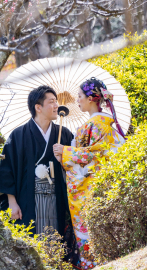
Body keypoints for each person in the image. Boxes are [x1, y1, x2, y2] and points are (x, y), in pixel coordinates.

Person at [0, 85, 77, 263]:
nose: (56, 106)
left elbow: (76, 166)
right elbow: (7, 169)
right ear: (38, 107)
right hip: (28, 198)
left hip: (57, 197)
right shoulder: (18, 135)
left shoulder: (64, 134)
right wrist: (12, 202)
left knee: (57, 238)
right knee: (32, 240)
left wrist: (65, 156)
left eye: (56, 102)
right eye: (51, 102)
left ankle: (56, 264)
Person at [53, 77, 126, 270]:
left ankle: (94, 263)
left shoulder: (93, 125)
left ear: (91, 98)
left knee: (90, 228)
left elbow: (95, 156)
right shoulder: (107, 122)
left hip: (90, 188)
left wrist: (65, 153)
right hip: (105, 184)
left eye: (79, 96)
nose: (77, 100)